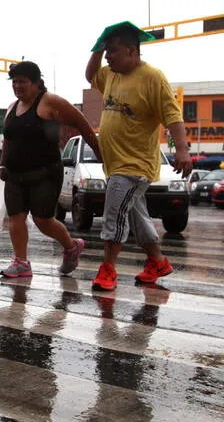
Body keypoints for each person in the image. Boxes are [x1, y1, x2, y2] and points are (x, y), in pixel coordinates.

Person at [85, 21, 191, 291]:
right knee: (135, 215)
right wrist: (97, 48)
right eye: (106, 51)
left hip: (135, 164)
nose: (108, 56)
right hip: (116, 163)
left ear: (132, 51)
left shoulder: (153, 77)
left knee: (114, 215)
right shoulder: (111, 74)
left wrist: (182, 150)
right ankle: (157, 261)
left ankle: (108, 269)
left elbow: (172, 116)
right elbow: (90, 75)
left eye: (113, 51)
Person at [0, 61, 102, 279]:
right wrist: (3, 164)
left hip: (45, 173)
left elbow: (82, 123)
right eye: (14, 82)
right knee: (15, 216)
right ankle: (21, 262)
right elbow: (8, 140)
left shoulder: (50, 102)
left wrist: (100, 153)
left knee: (42, 220)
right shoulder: (11, 107)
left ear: (36, 83)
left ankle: (71, 246)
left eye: (23, 82)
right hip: (15, 174)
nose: (17, 86)